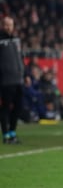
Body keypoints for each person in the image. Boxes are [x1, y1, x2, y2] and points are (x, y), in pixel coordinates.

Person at [0, 16, 24, 144]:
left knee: (18, 107)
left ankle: (12, 132)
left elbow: (21, 58)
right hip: (5, 80)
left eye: (11, 25)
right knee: (5, 108)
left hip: (18, 79)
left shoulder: (16, 40)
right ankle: (5, 134)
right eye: (7, 25)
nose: (9, 27)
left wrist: (24, 75)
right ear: (2, 25)